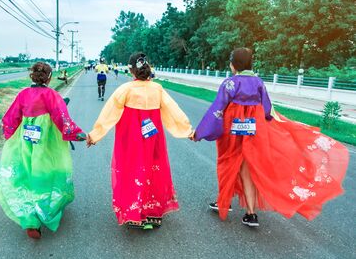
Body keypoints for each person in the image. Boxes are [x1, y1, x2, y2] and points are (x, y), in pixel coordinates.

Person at [192, 48, 349, 227]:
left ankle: (224, 203)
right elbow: (266, 110)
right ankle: (249, 213)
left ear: (234, 65)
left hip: (233, 135)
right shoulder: (258, 83)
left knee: (228, 163)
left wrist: (200, 132)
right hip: (253, 134)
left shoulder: (230, 83)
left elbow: (217, 109)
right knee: (246, 168)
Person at [87, 52, 194, 229]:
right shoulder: (157, 89)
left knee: (132, 169)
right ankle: (152, 212)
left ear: (131, 71)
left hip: (130, 139)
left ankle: (134, 211)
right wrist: (187, 131)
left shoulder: (125, 90)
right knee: (153, 168)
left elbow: (108, 114)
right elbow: (173, 111)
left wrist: (95, 135)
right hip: (153, 139)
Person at [0, 62, 86, 239]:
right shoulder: (51, 95)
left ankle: (30, 219)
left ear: (32, 76)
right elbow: (63, 120)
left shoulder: (23, 95)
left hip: (26, 142)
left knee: (27, 173)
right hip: (47, 143)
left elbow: (10, 118)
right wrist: (78, 134)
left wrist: (9, 135)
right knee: (47, 172)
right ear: (49, 77)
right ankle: (45, 208)